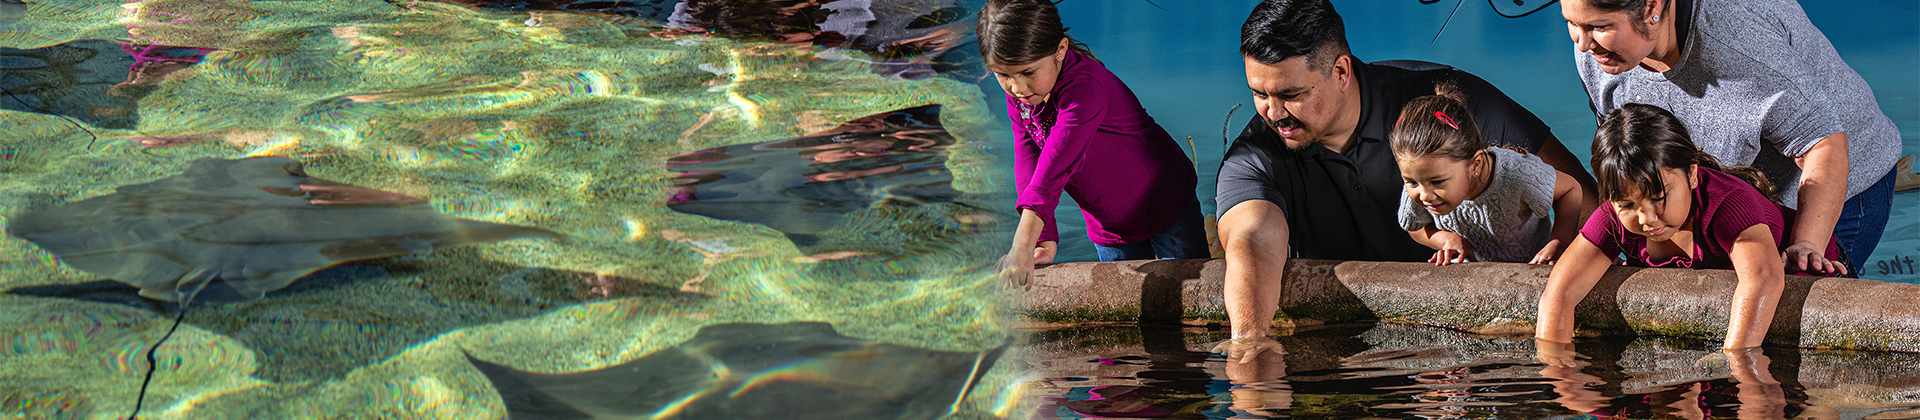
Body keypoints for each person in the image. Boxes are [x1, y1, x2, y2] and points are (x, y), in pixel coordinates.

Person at [1213, 0, 1597, 358]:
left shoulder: (1448, 102)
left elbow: (1589, 207)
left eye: (1291, 94)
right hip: (1342, 356)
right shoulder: (1255, 153)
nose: (1273, 112)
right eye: (1258, 93)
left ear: (1341, 71)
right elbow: (1251, 243)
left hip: (1474, 343)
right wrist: (1250, 349)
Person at [1561, 0, 1901, 276]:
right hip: (1724, 194)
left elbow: (1824, 144)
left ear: (1652, 7)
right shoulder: (1595, 54)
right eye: (1572, 23)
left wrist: (1806, 245)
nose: (1582, 43)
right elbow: (1624, 156)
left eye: (1599, 27)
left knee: (1800, 293)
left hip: (1834, 179)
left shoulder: (1737, 41)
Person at [1537, 104, 1844, 362]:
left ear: (1692, 173)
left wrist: (1738, 368)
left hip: (1802, 270)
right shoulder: (1614, 218)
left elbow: (1763, 280)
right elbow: (1559, 293)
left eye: (1659, 198)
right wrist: (1562, 378)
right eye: (1628, 204)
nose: (1647, 218)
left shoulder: (1727, 205)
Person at [977, 0, 1208, 288]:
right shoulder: (1021, 98)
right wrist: (1043, 237)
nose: (1017, 88)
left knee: (1196, 294)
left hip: (1165, 205)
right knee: (1127, 314)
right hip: (1109, 226)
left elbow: (1056, 166)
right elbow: (1029, 162)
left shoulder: (1085, 87)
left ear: (1060, 51)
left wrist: (1021, 245)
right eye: (1004, 75)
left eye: (1028, 72)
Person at [1391, 82, 1593, 265]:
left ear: (1475, 165)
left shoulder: (1517, 175)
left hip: (1533, 267)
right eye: (1411, 182)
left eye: (1438, 181)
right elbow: (1414, 225)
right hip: (1483, 276)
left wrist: (1559, 243)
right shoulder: (1423, 179)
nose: (1425, 195)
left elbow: (1571, 190)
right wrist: (1445, 239)